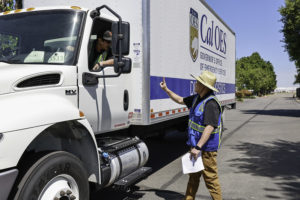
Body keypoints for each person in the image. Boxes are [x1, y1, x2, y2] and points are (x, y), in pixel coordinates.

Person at [160, 71, 222, 200]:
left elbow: (209, 127)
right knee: (193, 176)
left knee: (211, 179)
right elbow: (180, 99)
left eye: (198, 82)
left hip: (206, 149)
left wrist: (198, 148)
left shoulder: (211, 103)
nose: (196, 83)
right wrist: (166, 90)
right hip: (195, 146)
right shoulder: (196, 99)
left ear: (204, 86)